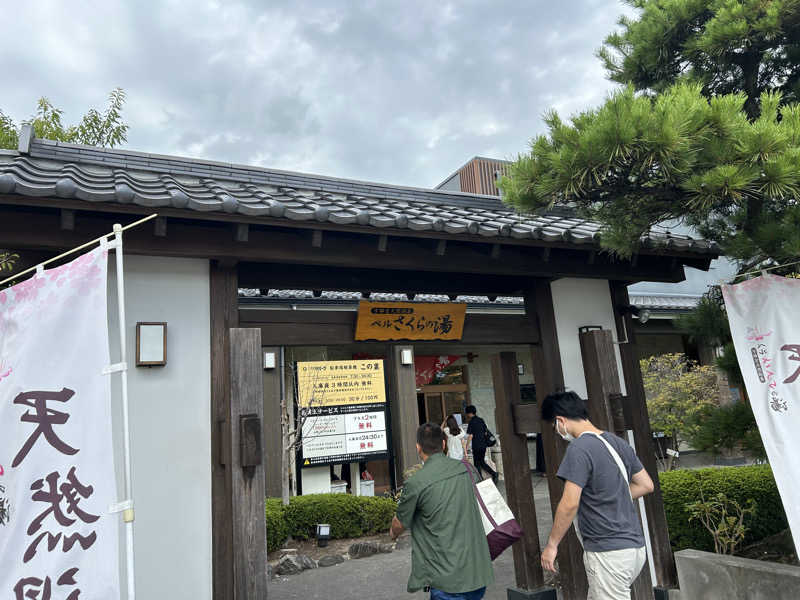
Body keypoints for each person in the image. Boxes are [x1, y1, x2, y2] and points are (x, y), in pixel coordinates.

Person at [539, 391, 655, 600]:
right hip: (635, 548)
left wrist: (552, 545)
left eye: (554, 427)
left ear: (560, 421)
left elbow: (569, 504)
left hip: (608, 552)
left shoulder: (579, 449)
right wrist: (611, 496)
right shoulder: (616, 442)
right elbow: (646, 484)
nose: (557, 431)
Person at [390, 423, 494, 599]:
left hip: (447, 577)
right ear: (444, 444)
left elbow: (399, 523)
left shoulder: (416, 482)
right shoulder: (467, 469)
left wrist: (393, 533)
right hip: (477, 571)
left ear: (418, 447)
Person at [464, 405, 498, 484]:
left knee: (477, 463)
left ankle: (480, 480)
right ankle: (493, 474)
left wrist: (466, 446)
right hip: (483, 445)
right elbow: (485, 431)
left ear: (469, 413)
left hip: (476, 446)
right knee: (481, 462)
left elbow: (471, 435)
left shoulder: (471, 422)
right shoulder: (481, 420)